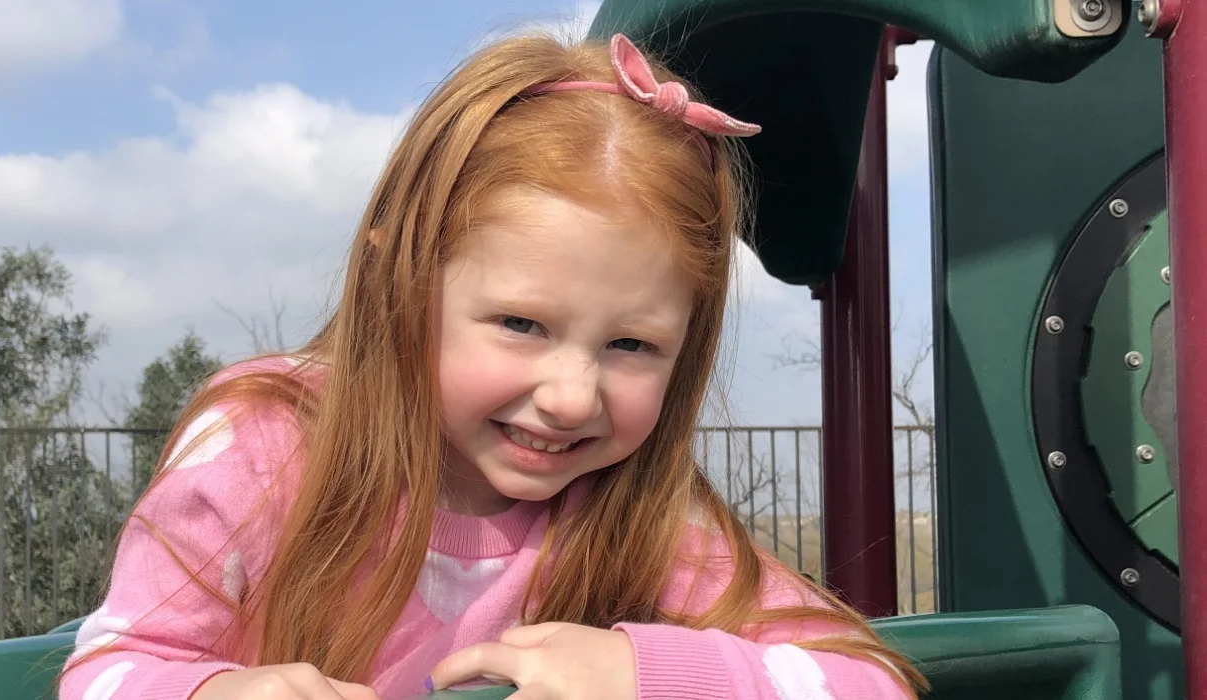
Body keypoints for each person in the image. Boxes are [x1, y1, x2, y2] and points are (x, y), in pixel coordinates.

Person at [57, 32, 928, 700]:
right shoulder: (267, 445)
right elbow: (113, 665)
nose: (570, 395)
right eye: (521, 323)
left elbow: (873, 682)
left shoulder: (637, 507)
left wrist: (646, 672)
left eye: (632, 345)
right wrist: (215, 689)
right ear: (399, 280)